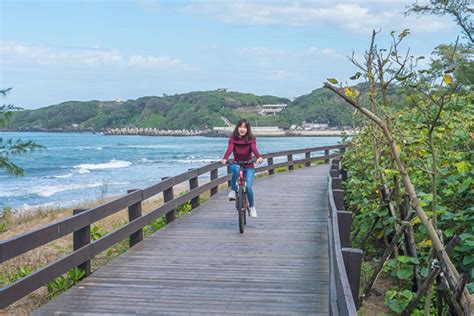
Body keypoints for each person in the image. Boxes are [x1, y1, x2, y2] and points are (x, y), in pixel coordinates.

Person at [221, 119, 263, 218]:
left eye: (245, 127)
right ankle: (232, 190)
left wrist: (259, 157)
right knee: (234, 169)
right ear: (237, 127)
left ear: (248, 129)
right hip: (237, 163)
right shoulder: (233, 138)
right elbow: (230, 149)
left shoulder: (251, 138)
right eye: (240, 127)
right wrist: (225, 158)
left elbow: (253, 148)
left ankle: (252, 208)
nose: (242, 129)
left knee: (248, 187)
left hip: (249, 166)